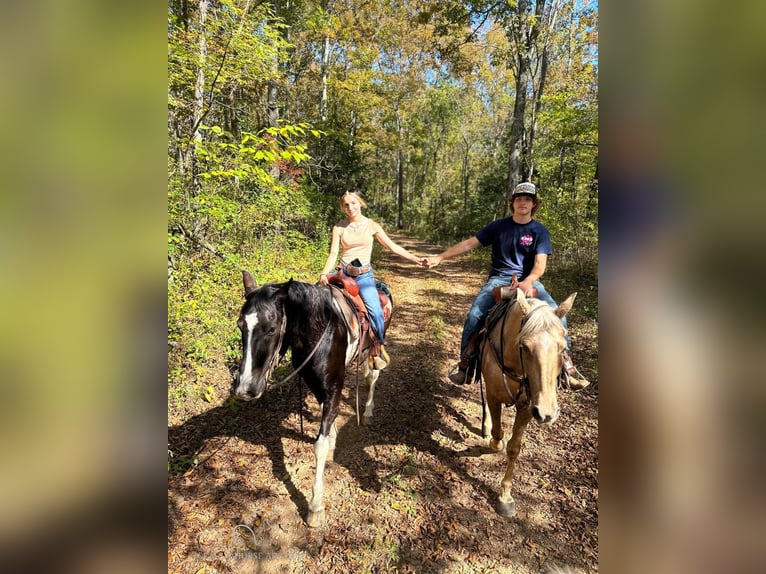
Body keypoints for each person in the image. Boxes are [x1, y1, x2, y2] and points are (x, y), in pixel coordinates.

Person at [423, 182, 590, 389]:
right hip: (499, 279)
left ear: (534, 204)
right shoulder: (498, 227)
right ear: (512, 203)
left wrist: (527, 282)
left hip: (530, 280)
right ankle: (465, 366)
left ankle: (567, 368)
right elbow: (469, 243)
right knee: (475, 315)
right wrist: (440, 257)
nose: (523, 202)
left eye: (527, 199)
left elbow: (539, 265)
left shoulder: (540, 231)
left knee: (559, 318)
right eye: (519, 199)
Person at [319, 189, 425, 369]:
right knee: (313, 301)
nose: (350, 207)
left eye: (353, 203)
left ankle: (377, 348)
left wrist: (415, 259)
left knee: (375, 311)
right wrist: (323, 273)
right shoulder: (339, 227)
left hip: (363, 276)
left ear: (360, 203)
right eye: (346, 205)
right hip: (342, 273)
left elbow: (392, 247)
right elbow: (333, 253)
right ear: (343, 208)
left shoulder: (372, 226)